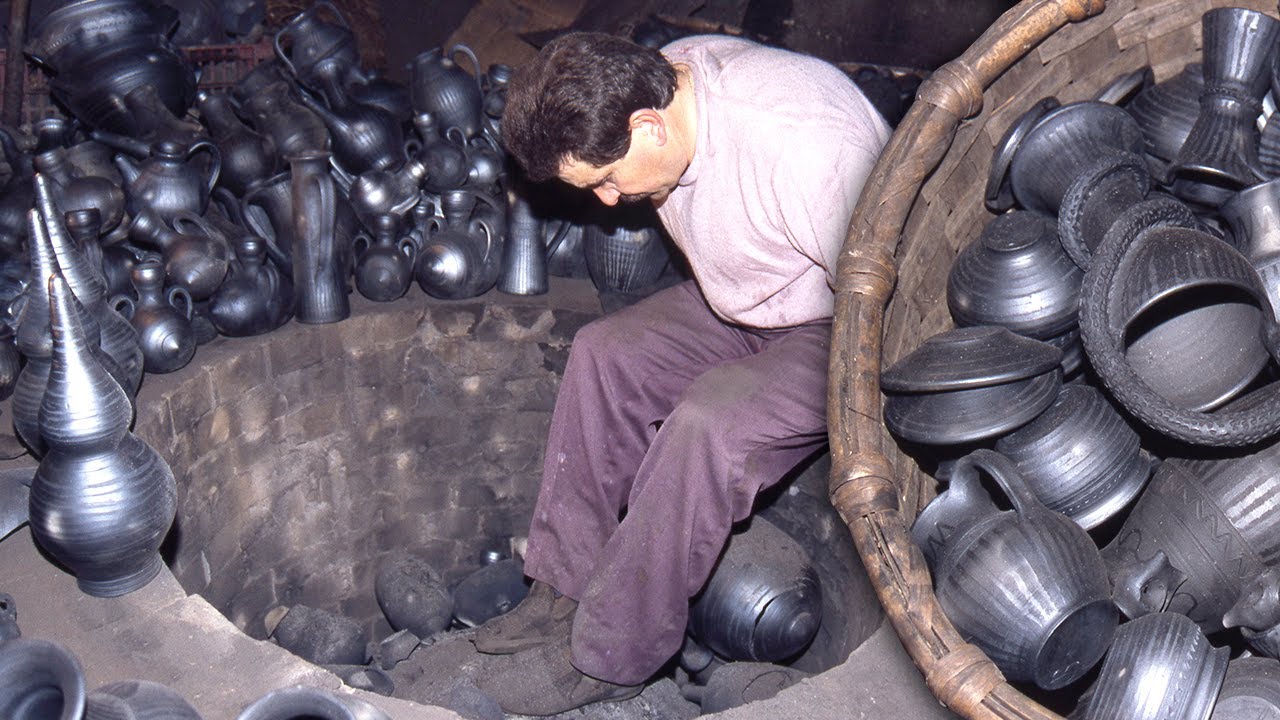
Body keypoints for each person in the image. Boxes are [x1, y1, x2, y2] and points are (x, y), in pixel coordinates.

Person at [471, 30, 890, 716]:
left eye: (606, 179)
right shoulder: (661, 77)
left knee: (709, 424)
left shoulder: (809, 143)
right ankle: (562, 589)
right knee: (603, 355)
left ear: (648, 125)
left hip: (846, 329)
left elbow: (891, 313)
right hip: (749, 301)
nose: (606, 202)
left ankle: (616, 655)